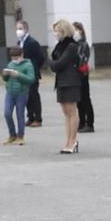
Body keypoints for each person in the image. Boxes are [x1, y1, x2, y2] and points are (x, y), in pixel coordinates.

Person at [48, 19, 82, 155]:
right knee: (66, 113)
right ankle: (69, 140)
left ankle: (72, 141)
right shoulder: (60, 45)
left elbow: (58, 64)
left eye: (57, 31)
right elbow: (54, 62)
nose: (55, 33)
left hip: (70, 81)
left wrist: (52, 62)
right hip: (61, 81)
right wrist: (53, 63)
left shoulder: (71, 46)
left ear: (64, 31)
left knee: (72, 112)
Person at [0, 44, 34, 145]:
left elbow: (31, 79)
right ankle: (12, 134)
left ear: (22, 55)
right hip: (10, 92)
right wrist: (4, 75)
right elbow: (6, 79)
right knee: (7, 113)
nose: (15, 60)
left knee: (20, 115)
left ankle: (20, 136)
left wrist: (19, 75)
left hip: (21, 93)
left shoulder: (28, 65)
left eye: (17, 57)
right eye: (13, 58)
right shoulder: (10, 64)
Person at [17, 20, 45, 126]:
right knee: (26, 96)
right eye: (17, 29)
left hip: (32, 74)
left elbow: (41, 58)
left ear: (26, 29)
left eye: (20, 28)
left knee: (34, 95)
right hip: (22, 74)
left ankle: (38, 118)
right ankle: (30, 117)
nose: (18, 31)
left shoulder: (32, 42)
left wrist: (34, 69)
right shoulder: (19, 42)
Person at [73, 22, 94, 133]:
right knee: (78, 100)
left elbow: (82, 59)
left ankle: (89, 123)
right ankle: (81, 122)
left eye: (77, 30)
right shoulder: (73, 44)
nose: (75, 32)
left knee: (85, 98)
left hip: (82, 74)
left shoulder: (84, 44)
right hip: (75, 75)